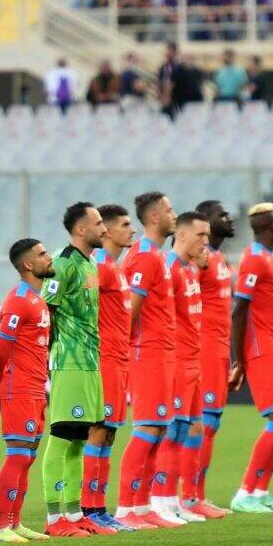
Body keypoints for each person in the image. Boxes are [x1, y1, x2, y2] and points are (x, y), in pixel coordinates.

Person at [38, 203, 107, 538]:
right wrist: (47, 358)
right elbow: (45, 310)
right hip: (69, 361)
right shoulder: (62, 264)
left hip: (91, 361)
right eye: (98, 223)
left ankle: (74, 513)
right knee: (63, 434)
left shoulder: (90, 262)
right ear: (81, 229)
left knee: (80, 438)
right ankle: (54, 519)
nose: (104, 228)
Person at [115, 192, 181, 528]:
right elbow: (131, 309)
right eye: (169, 210)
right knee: (148, 427)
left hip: (163, 352)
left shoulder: (157, 256)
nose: (175, 215)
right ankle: (127, 506)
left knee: (159, 427)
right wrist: (124, 352)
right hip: (148, 352)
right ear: (154, 217)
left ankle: (143, 506)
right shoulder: (143, 256)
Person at [228, 204, 273, 514]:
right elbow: (239, 310)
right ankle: (245, 492)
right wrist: (239, 360)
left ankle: (261, 490)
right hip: (261, 349)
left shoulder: (266, 259)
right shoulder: (255, 259)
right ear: (270, 227)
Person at [0, 239, 55, 543]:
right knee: (17, 455)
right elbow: (1, 347)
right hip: (18, 388)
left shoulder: (38, 299)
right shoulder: (18, 300)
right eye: (42, 254)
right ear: (27, 264)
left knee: (27, 456)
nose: (48, 257)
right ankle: (0, 524)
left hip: (36, 387)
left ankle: (15, 522)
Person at [158, 212, 214, 524]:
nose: (206, 242)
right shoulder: (169, 268)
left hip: (194, 359)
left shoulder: (189, 269)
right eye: (201, 236)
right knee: (174, 428)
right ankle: (161, 499)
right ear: (181, 236)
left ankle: (173, 500)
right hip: (176, 359)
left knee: (189, 427)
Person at [84, 205, 135, 532]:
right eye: (125, 225)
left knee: (110, 433)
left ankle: (99, 508)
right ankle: (88, 508)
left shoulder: (115, 267)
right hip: (102, 360)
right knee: (98, 431)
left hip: (120, 360)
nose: (132, 230)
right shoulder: (98, 266)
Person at [192, 200, 235, 517]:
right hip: (202, 349)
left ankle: (196, 495)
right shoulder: (196, 262)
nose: (228, 219)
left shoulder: (220, 260)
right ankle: (188, 496)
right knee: (201, 424)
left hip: (220, 351)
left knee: (213, 424)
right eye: (221, 215)